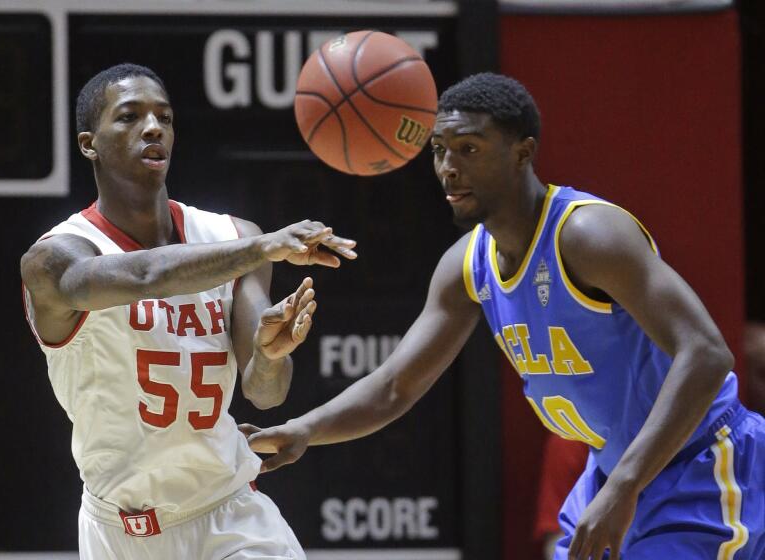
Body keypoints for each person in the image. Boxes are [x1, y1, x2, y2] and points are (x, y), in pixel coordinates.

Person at [240, 72, 765, 559]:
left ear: (523, 153)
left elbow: (707, 353)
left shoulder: (586, 236)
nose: (449, 166)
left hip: (700, 458)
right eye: (440, 150)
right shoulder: (466, 266)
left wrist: (626, 484)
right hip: (615, 472)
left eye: (468, 148)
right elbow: (396, 385)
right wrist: (303, 430)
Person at [20, 63, 356, 559]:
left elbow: (266, 394)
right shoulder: (54, 259)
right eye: (130, 116)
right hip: (120, 529)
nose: (153, 127)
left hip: (230, 513)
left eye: (165, 117)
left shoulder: (234, 236)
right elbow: (142, 276)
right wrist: (264, 248)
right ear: (89, 143)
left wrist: (269, 355)